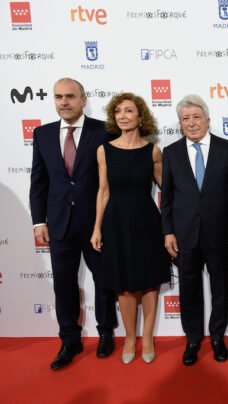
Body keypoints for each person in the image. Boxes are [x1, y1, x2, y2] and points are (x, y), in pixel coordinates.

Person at [29, 78, 117, 370]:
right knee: (63, 283)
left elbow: (111, 181)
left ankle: (106, 332)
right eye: (58, 97)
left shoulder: (103, 130)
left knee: (103, 278)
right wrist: (38, 221)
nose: (63, 102)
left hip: (96, 224)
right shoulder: (42, 134)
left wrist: (107, 220)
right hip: (58, 223)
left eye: (69, 96)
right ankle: (69, 340)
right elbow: (38, 181)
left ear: (83, 99)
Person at [90, 92, 170, 364]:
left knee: (149, 282)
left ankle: (147, 337)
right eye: (118, 112)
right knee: (123, 286)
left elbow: (167, 191)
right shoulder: (105, 150)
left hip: (146, 221)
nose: (122, 116)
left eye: (128, 111)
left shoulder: (153, 151)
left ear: (140, 118)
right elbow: (103, 191)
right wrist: (97, 227)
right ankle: (130, 337)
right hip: (115, 222)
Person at [161, 95, 228, 366]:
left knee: (220, 288)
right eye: (185, 118)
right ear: (180, 123)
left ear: (208, 119)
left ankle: (217, 337)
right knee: (189, 290)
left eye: (196, 117)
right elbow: (167, 197)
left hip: (219, 232)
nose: (191, 123)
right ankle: (193, 339)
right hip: (184, 234)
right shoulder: (170, 153)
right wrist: (168, 232)